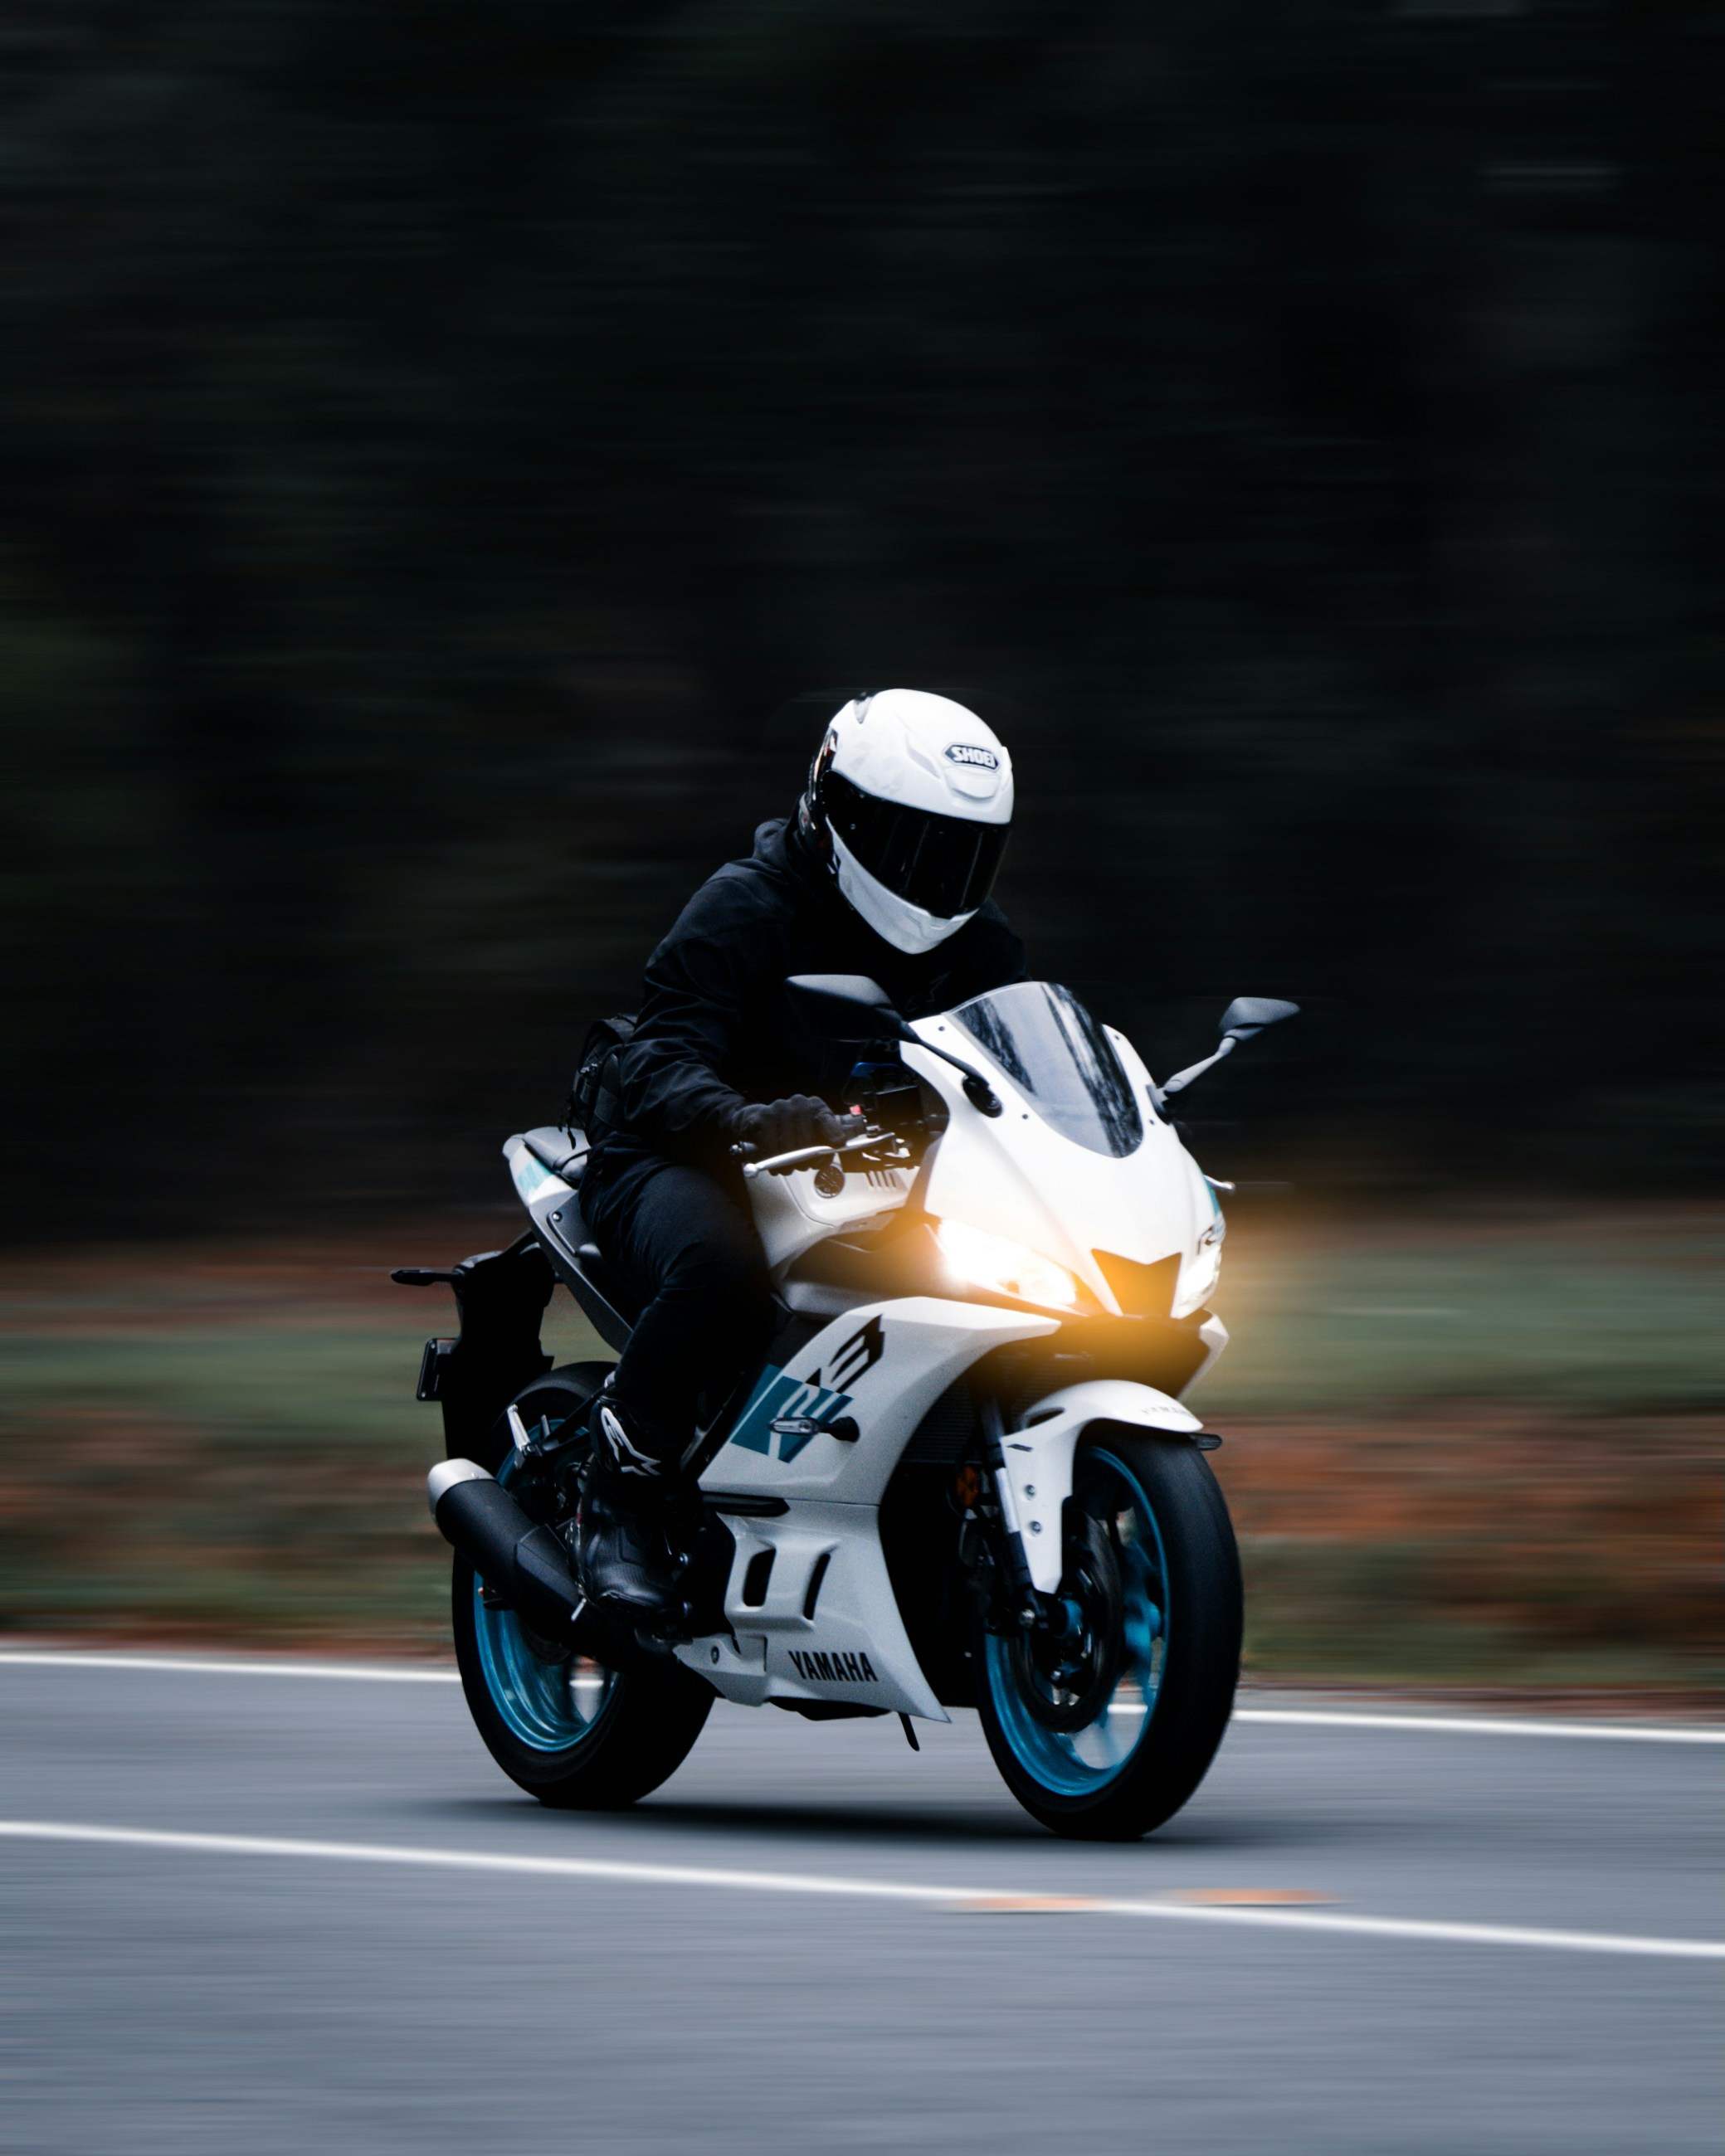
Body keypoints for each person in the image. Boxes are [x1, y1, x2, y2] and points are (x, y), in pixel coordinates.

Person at [576, 688, 1026, 1624]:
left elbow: (1022, 1063)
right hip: (684, 1158)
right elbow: (653, 1058)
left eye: (962, 851)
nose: (937, 874)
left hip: (866, 1181)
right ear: (838, 812)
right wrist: (742, 1114)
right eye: (913, 843)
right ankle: (617, 1494)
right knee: (721, 1267)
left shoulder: (980, 945)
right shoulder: (744, 906)